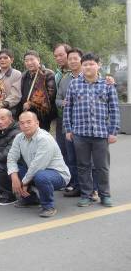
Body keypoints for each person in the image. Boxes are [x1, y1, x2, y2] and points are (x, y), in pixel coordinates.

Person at [63, 52, 120, 208]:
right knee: (83, 166)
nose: (88, 67)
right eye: (86, 64)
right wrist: (68, 129)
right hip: (80, 133)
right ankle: (86, 195)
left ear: (98, 65)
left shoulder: (107, 85)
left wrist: (113, 131)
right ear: (82, 66)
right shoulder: (74, 84)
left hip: (101, 133)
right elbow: (68, 108)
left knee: (102, 167)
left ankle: (105, 195)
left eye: (91, 64)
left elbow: (114, 109)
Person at [7, 111, 70, 218]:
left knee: (41, 176)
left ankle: (48, 206)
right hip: (35, 172)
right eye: (22, 123)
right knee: (13, 170)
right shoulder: (19, 137)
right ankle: (30, 199)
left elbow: (37, 166)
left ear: (37, 123)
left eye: (29, 122)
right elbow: (11, 158)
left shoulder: (44, 139)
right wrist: (14, 177)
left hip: (57, 175)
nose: (25, 125)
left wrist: (24, 182)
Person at [55, 47, 82, 197]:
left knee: (86, 159)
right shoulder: (64, 79)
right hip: (68, 122)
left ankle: (93, 188)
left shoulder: (89, 75)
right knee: (70, 156)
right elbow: (57, 99)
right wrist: (62, 102)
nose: (72, 61)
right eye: (70, 59)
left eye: (74, 58)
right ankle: (75, 184)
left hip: (85, 124)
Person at [18, 50, 56, 131]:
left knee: (41, 138)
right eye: (26, 60)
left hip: (41, 115)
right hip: (26, 113)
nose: (29, 63)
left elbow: (50, 95)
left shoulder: (47, 74)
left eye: (32, 60)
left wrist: (31, 104)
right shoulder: (24, 75)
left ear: (38, 60)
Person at [53, 44, 72, 167]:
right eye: (56, 56)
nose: (58, 58)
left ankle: (80, 183)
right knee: (62, 149)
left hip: (74, 118)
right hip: (60, 117)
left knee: (74, 151)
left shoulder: (78, 72)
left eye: (61, 55)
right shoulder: (58, 74)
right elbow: (57, 97)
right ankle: (67, 179)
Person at [0, 49, 22, 116]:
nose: (2, 60)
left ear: (12, 60)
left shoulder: (16, 74)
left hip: (11, 111)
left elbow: (16, 95)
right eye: (0, 58)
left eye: (5, 58)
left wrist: (4, 104)